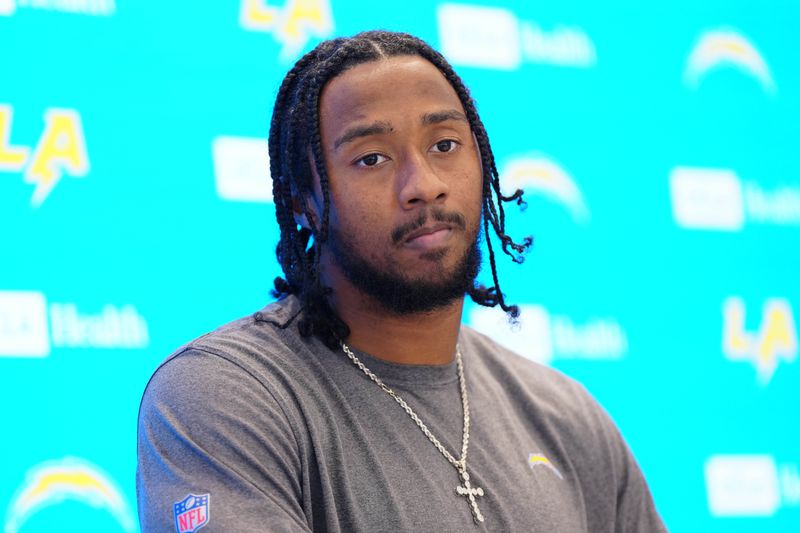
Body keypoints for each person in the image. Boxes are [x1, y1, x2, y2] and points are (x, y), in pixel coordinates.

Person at [137, 30, 667, 532]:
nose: (424, 185)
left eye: (445, 145)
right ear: (304, 203)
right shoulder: (226, 396)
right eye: (372, 158)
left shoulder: (567, 417)